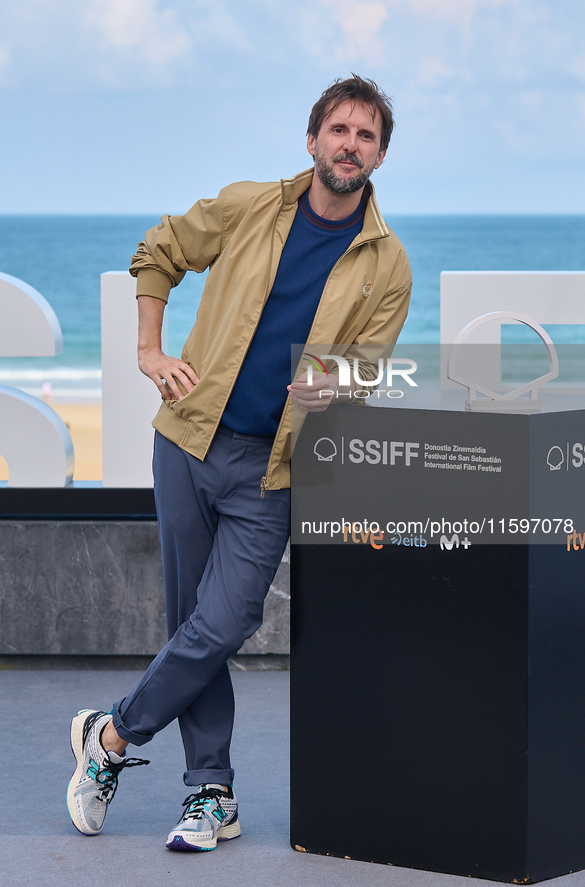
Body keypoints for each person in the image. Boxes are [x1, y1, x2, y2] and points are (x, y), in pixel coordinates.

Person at [66, 74, 412, 852]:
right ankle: (210, 792)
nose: (348, 144)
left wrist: (333, 385)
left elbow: (366, 370)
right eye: (338, 129)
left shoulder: (388, 266)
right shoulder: (254, 204)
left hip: (274, 468)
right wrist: (149, 349)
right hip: (187, 442)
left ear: (379, 155)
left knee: (222, 622)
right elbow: (159, 250)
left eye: (364, 135)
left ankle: (111, 737)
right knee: (191, 621)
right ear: (312, 139)